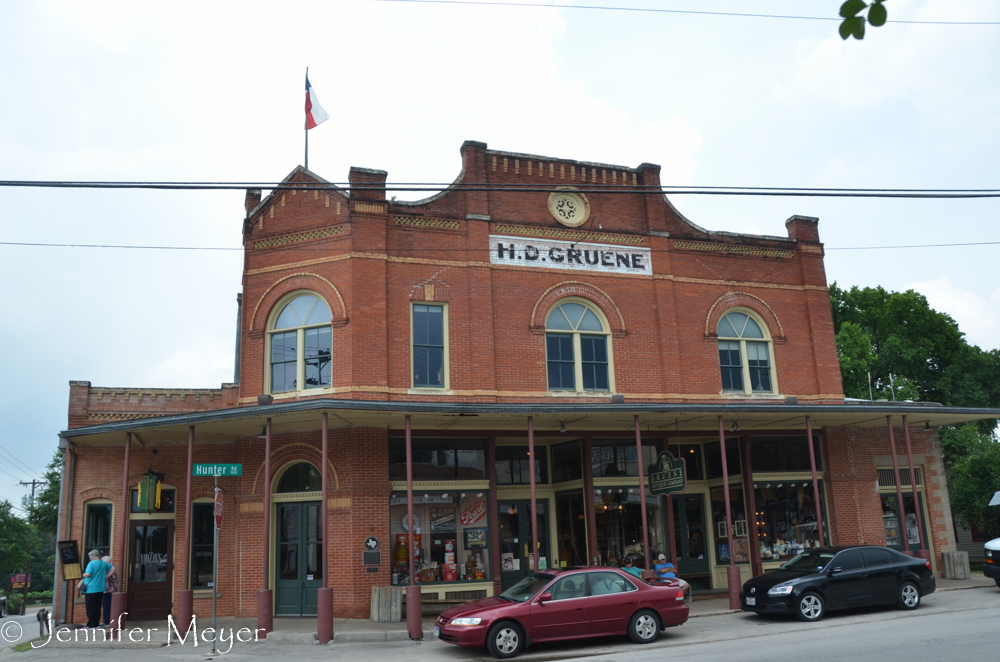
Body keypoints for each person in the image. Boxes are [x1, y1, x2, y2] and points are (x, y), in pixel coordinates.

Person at [81, 549, 112, 628]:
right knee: (97, 607)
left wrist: (84, 574)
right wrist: (106, 577)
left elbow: (88, 574)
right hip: (100, 588)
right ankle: (96, 623)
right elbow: (113, 569)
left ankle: (91, 625)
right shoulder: (103, 563)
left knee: (90, 607)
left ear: (92, 556)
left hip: (90, 588)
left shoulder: (91, 563)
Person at [101, 555, 118, 627]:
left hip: (107, 591)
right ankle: (107, 621)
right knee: (106, 606)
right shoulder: (111, 569)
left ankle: (107, 621)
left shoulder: (108, 571)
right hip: (109, 590)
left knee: (106, 606)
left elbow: (111, 580)